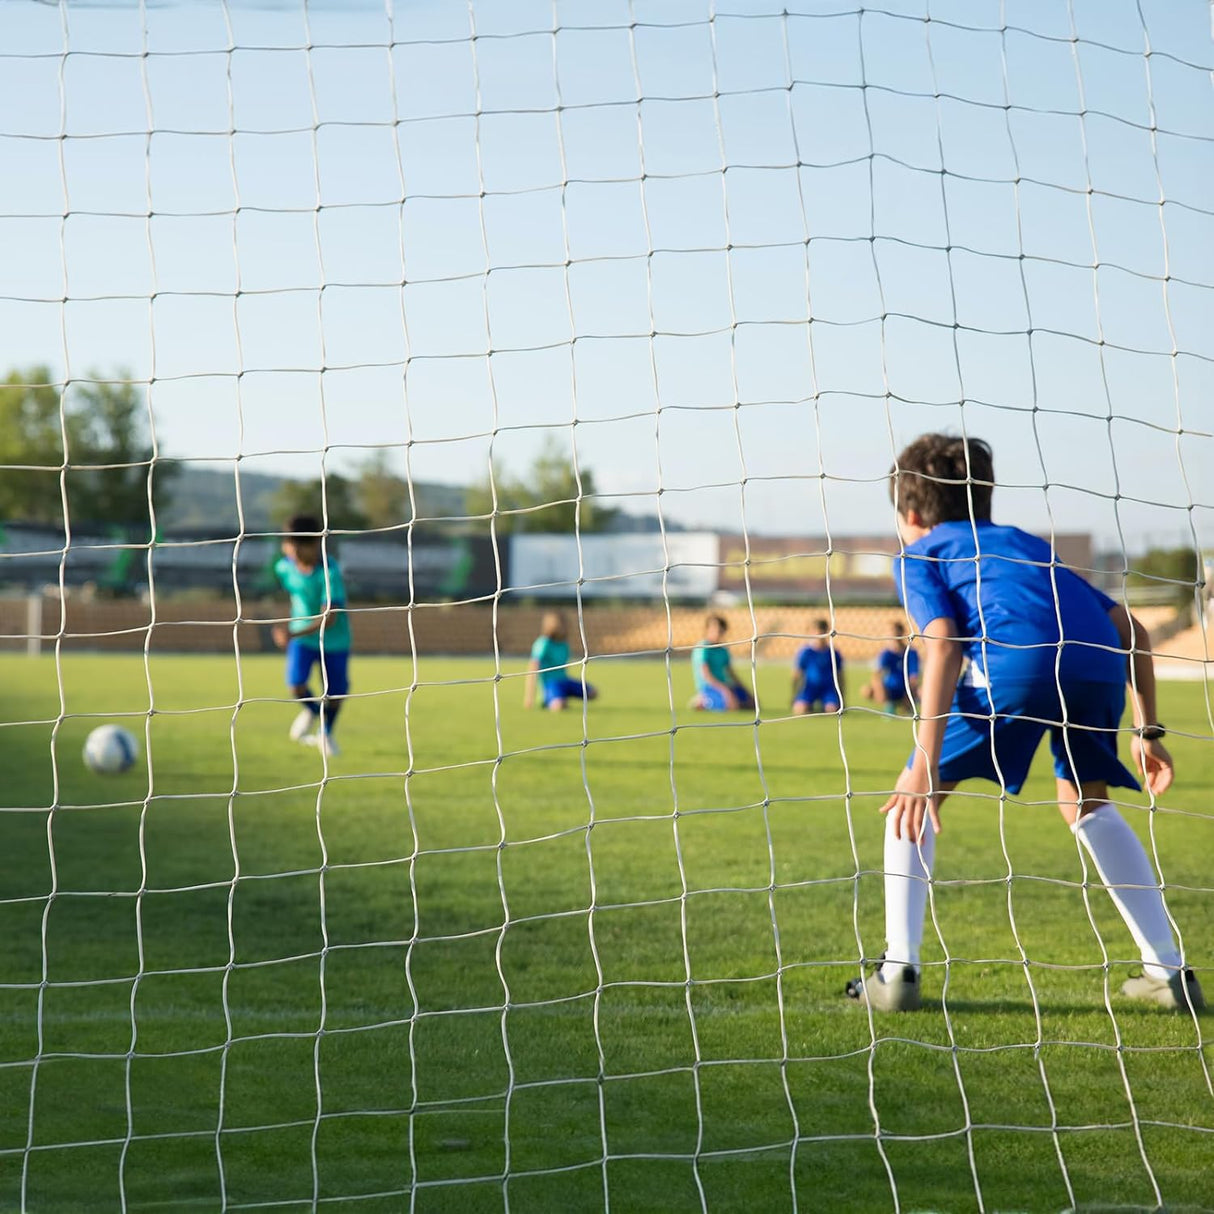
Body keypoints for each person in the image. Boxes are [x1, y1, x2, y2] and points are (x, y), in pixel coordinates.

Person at [847, 433, 1203, 1014]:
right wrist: (1149, 732)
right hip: (1094, 665)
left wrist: (923, 763)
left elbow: (941, 642)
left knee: (914, 795)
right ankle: (1168, 971)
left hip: (1021, 666)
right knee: (1087, 803)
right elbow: (1132, 629)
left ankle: (898, 969)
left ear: (910, 514)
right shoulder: (1026, 545)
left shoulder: (921, 552)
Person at [271, 515, 350, 759]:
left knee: (335, 693)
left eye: (295, 546)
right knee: (296, 685)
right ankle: (314, 712)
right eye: (288, 544)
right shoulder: (284, 567)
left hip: (334, 640)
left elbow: (330, 617)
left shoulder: (329, 571)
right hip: (304, 640)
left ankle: (325, 733)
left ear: (313, 545)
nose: (290, 551)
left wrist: (292, 632)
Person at [524, 611, 597, 711]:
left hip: (565, 681)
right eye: (561, 624)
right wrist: (529, 696)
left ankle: (562, 696)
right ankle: (550, 699)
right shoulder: (543, 643)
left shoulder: (564, 644)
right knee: (558, 706)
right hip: (550, 684)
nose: (565, 627)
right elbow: (533, 668)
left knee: (593, 693)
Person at [691, 614, 754, 711]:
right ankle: (703, 700)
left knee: (752, 704)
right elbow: (706, 675)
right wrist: (725, 691)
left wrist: (745, 690)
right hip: (709, 687)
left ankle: (712, 701)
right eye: (714, 629)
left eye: (720, 630)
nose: (717, 633)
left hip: (725, 685)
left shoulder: (723, 650)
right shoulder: (703, 648)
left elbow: (730, 673)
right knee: (732, 706)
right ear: (707, 629)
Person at [860, 619, 920, 714]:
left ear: (902, 634)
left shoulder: (911, 652)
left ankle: (909, 704)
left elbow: (914, 677)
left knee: (923, 692)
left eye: (895, 634)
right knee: (866, 690)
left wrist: (909, 693)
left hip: (906, 688)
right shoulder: (886, 653)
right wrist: (879, 689)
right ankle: (888, 704)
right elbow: (876, 675)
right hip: (889, 688)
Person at [792, 617, 844, 714]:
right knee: (800, 710)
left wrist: (842, 698)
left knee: (832, 710)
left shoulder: (833, 653)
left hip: (828, 689)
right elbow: (797, 674)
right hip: (809, 688)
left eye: (821, 632)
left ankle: (825, 705)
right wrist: (794, 695)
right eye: (816, 631)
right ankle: (809, 705)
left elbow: (840, 675)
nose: (819, 635)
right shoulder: (806, 652)